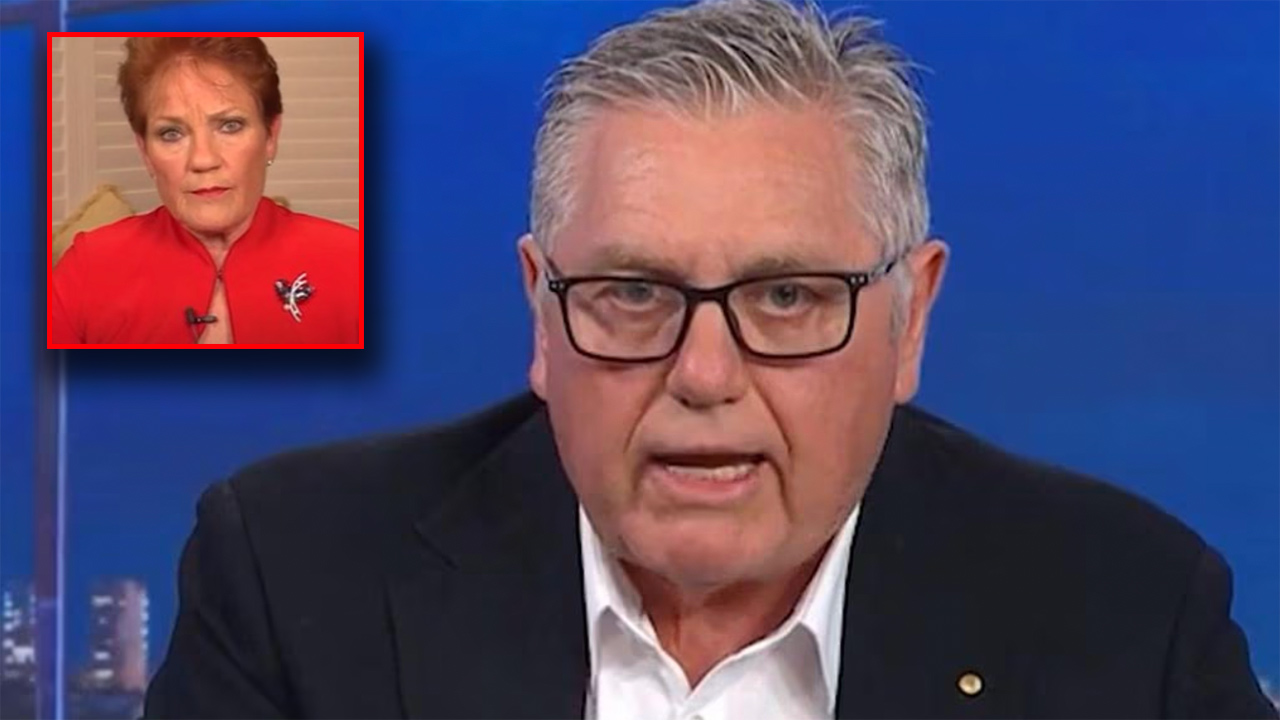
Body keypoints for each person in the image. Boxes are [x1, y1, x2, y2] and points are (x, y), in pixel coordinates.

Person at [144, 1, 1276, 717]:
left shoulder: (1128, 618)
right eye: (634, 294)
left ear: (910, 320)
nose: (702, 374)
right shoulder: (293, 577)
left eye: (786, 297)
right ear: (541, 311)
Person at [50, 37, 361, 346]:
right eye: (171, 133)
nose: (203, 159)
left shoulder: (354, 264)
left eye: (230, 125)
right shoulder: (88, 269)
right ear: (145, 152)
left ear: (270, 136)